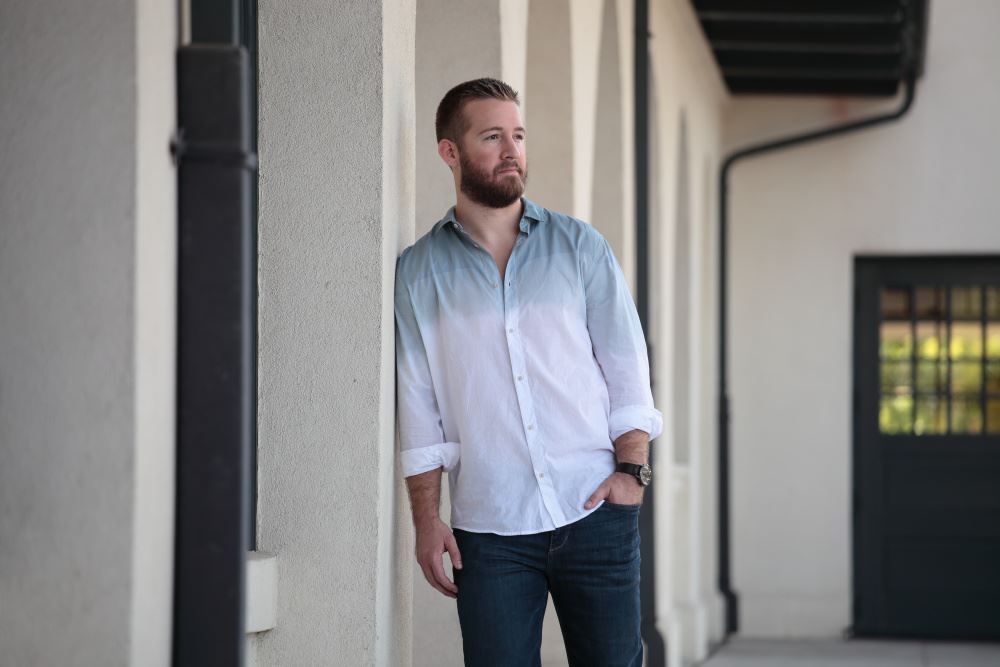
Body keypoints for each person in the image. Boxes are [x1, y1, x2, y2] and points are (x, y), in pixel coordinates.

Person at [394, 77, 661, 667]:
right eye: (492, 137)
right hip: (490, 534)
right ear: (450, 152)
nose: (511, 150)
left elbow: (626, 367)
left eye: (517, 135)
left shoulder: (579, 248)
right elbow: (418, 409)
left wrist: (632, 475)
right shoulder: (418, 273)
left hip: (595, 512)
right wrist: (426, 521)